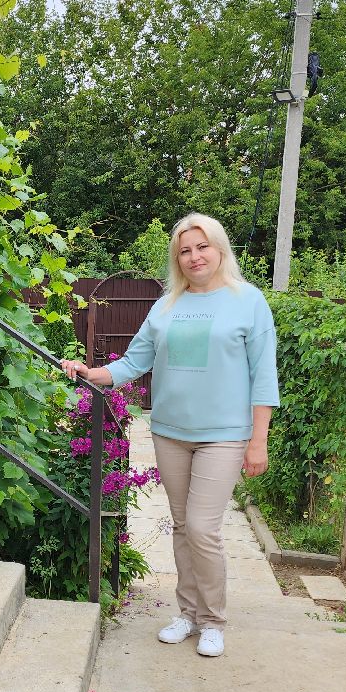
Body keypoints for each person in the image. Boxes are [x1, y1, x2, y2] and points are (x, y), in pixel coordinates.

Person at [62, 213, 279, 657]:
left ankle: (213, 620)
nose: (194, 256)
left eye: (202, 247)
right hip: (170, 432)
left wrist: (259, 441)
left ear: (219, 249)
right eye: (185, 250)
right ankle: (187, 613)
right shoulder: (166, 306)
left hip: (224, 435)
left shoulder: (248, 301)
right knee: (183, 527)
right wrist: (91, 372)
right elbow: (132, 363)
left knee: (203, 528)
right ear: (176, 259)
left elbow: (264, 376)